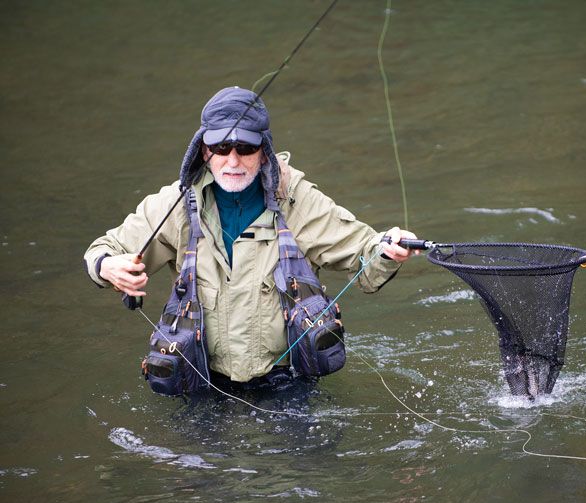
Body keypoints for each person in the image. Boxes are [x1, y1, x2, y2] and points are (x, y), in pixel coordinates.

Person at [84, 86, 417, 391]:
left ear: (264, 150)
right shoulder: (174, 205)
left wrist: (388, 250)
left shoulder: (298, 201)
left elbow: (365, 252)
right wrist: (107, 266)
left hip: (286, 382)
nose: (233, 160)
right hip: (201, 382)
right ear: (203, 150)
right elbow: (103, 250)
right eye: (221, 147)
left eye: (245, 147)